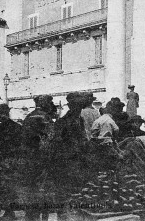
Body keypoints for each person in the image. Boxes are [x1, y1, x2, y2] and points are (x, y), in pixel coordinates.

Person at [54, 92, 89, 220]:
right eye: (76, 106)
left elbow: (83, 139)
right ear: (71, 106)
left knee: (77, 193)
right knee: (66, 194)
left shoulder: (80, 120)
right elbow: (57, 143)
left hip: (78, 161)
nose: (78, 109)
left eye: (80, 106)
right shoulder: (63, 122)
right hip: (67, 163)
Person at [21, 94, 56, 221]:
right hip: (42, 158)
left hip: (29, 158)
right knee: (43, 190)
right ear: (46, 104)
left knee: (31, 189)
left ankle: (30, 216)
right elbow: (51, 138)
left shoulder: (29, 116)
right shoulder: (44, 117)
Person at [0, 104, 22, 220]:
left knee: (6, 187)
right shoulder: (16, 126)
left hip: (6, 162)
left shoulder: (3, 128)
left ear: (4, 114)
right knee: (9, 188)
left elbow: (0, 147)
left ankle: (9, 212)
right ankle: (9, 211)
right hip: (11, 162)